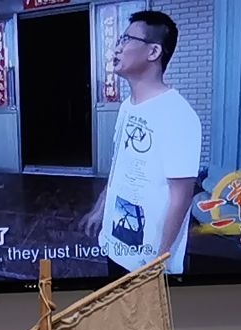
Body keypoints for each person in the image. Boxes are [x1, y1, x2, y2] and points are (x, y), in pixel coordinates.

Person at [80, 10, 201, 278]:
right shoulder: (127, 106)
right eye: (119, 40)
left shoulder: (178, 114)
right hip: (116, 243)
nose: (117, 48)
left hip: (148, 261)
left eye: (126, 39)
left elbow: (181, 196)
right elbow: (119, 166)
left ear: (153, 51)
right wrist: (101, 208)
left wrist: (159, 260)